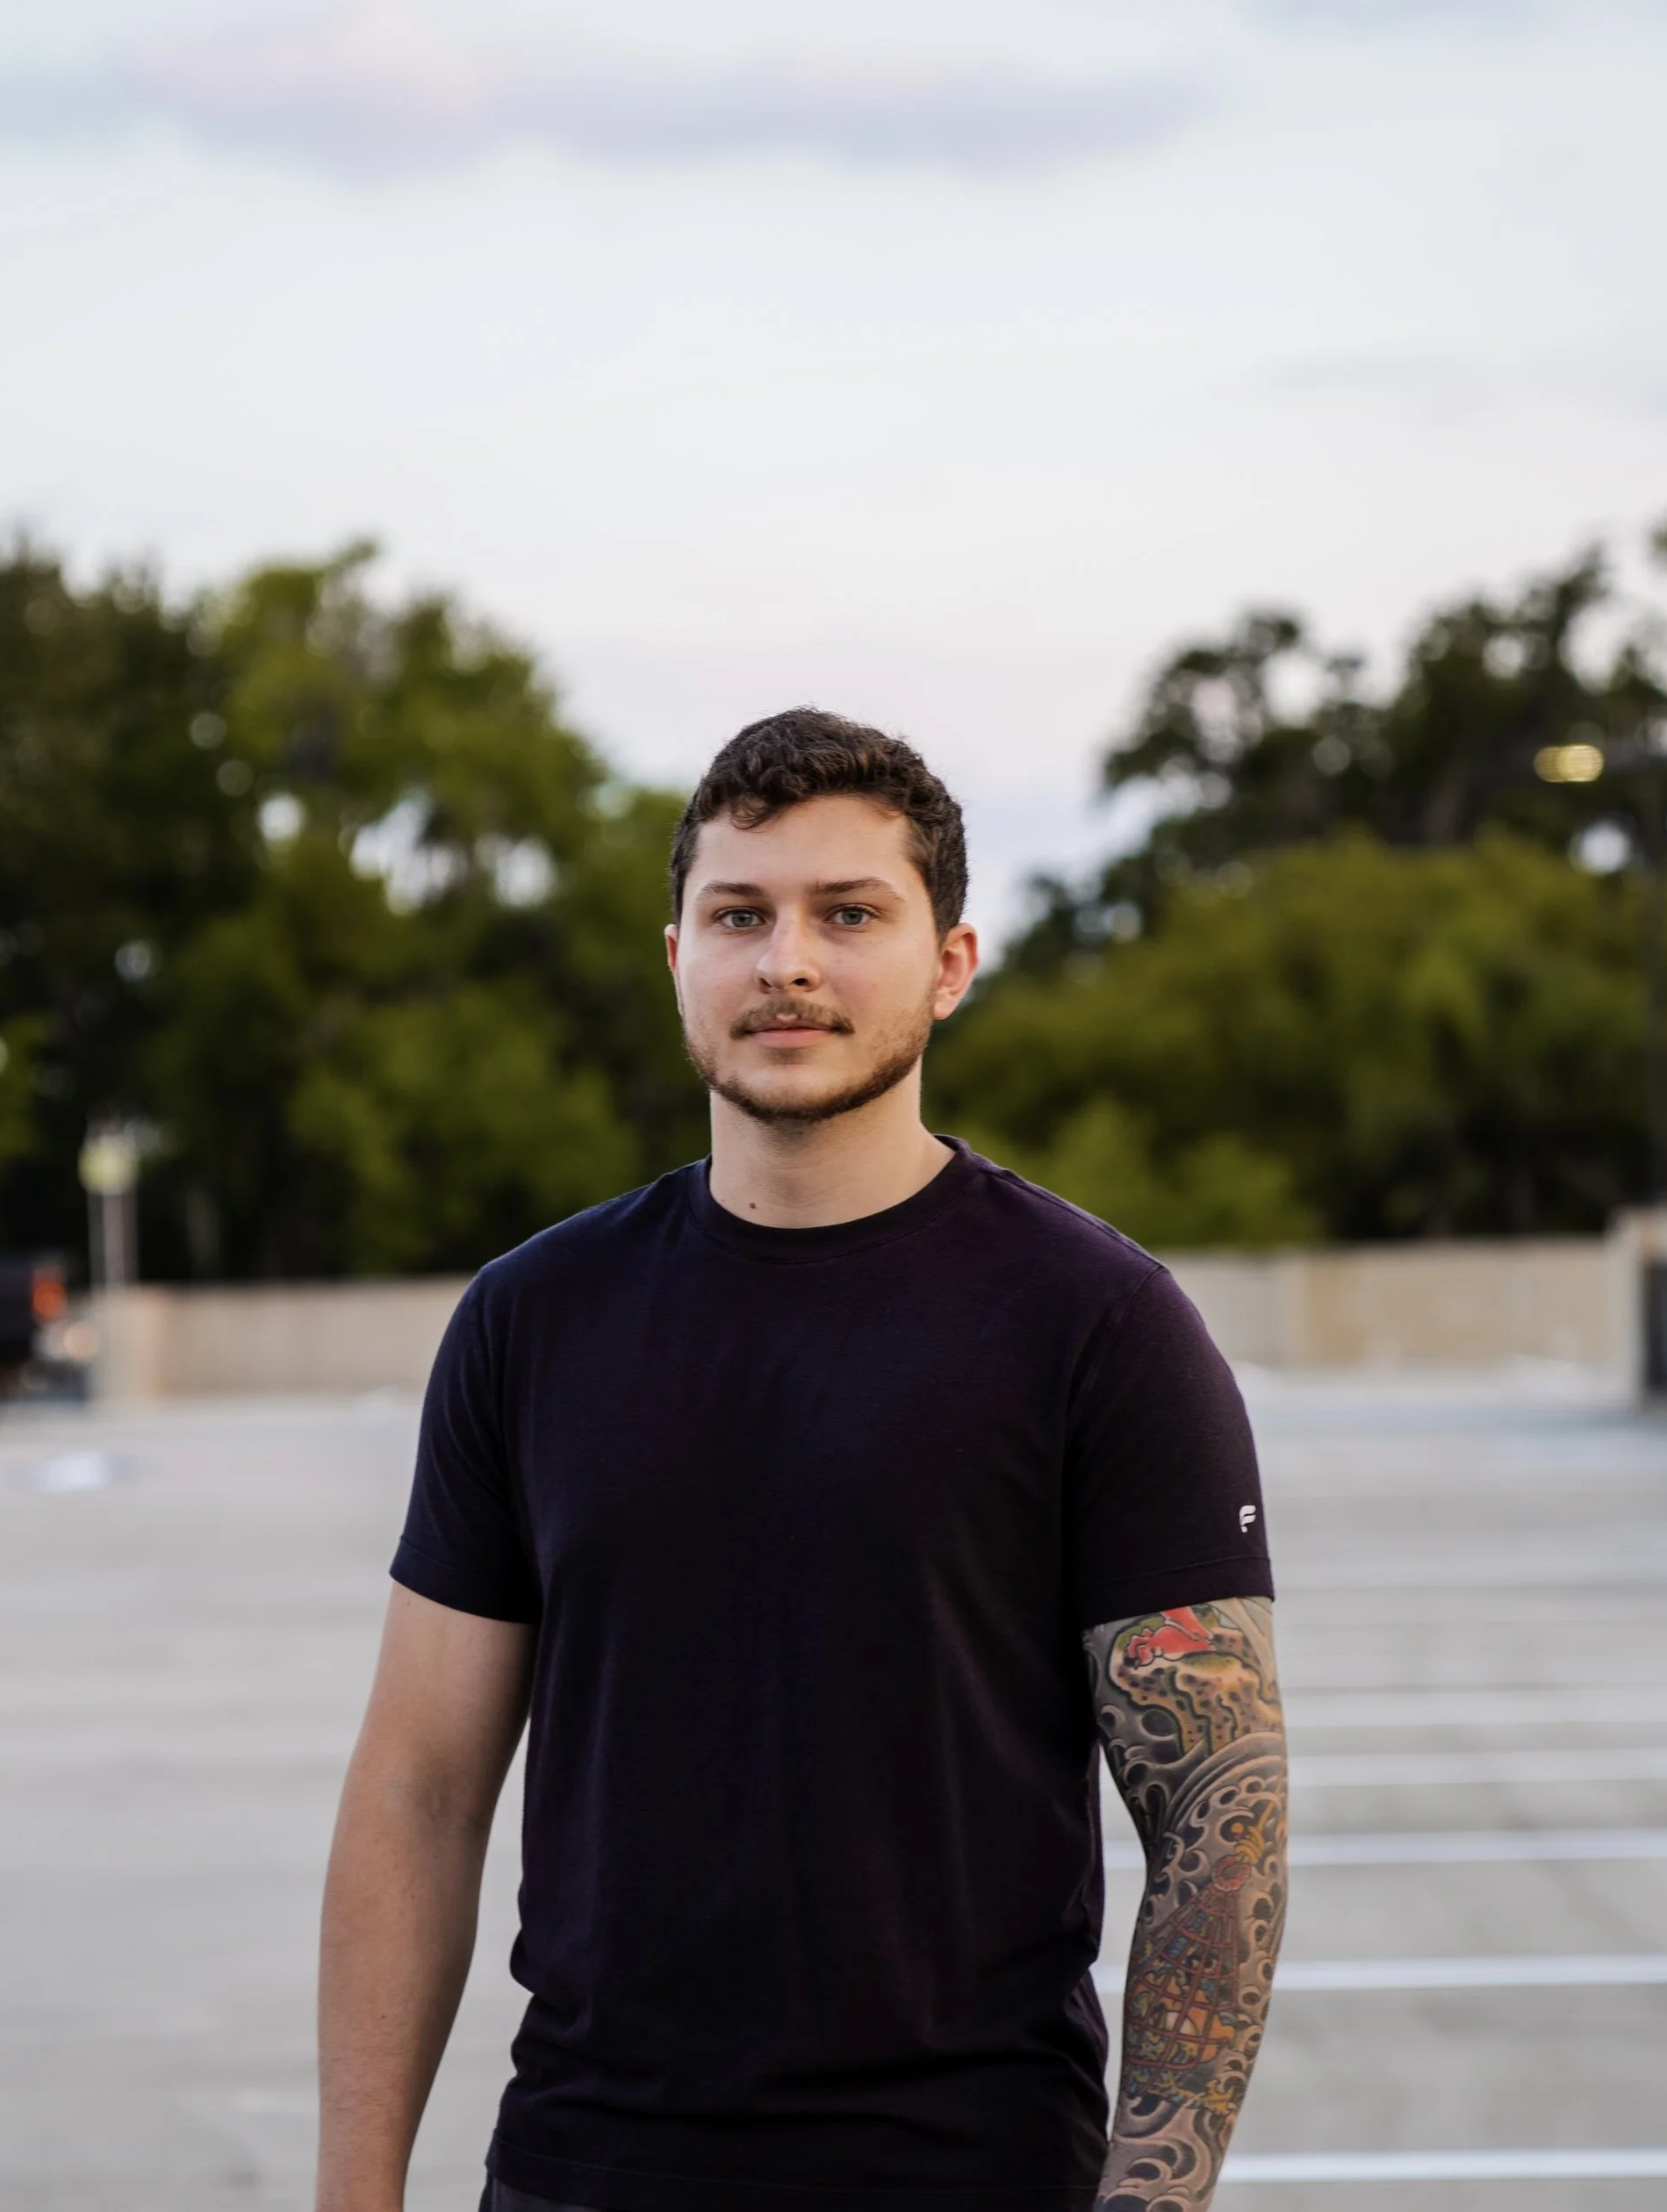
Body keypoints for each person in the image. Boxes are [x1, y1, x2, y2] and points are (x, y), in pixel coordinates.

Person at [316, 710, 1286, 2212]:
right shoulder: (534, 1321)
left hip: (966, 2175)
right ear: (677, 957)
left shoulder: (1099, 1327)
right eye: (740, 915)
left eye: (850, 914)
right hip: (588, 2169)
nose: (788, 962)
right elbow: (419, 1793)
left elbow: (1219, 1831)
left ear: (949, 964)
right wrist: (354, 2196)